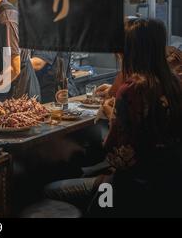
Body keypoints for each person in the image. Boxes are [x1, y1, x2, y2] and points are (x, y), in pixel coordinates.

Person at [43, 18, 182, 217]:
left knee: (51, 189)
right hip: (168, 184)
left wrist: (111, 113)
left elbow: (117, 155)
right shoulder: (174, 82)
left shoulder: (133, 89)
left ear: (129, 50)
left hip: (131, 186)